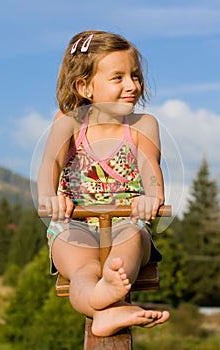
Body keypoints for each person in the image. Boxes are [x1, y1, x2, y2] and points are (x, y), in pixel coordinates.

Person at [37, 30, 170, 337]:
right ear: (85, 87)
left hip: (126, 221)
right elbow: (51, 163)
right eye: (118, 77)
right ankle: (103, 303)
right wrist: (50, 196)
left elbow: (150, 168)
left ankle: (111, 292)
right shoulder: (68, 122)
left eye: (134, 76)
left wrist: (153, 195)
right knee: (82, 269)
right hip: (74, 223)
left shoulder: (142, 125)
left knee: (128, 243)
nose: (131, 86)